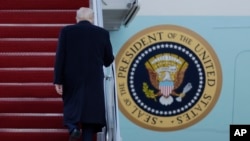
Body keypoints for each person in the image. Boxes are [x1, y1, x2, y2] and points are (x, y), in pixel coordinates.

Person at [53, 7, 114, 141]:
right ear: (92, 19)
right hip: (93, 78)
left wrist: (58, 79)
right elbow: (108, 59)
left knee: (71, 104)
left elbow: (60, 57)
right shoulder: (102, 33)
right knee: (90, 115)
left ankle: (73, 128)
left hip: (71, 77)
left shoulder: (67, 31)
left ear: (77, 18)